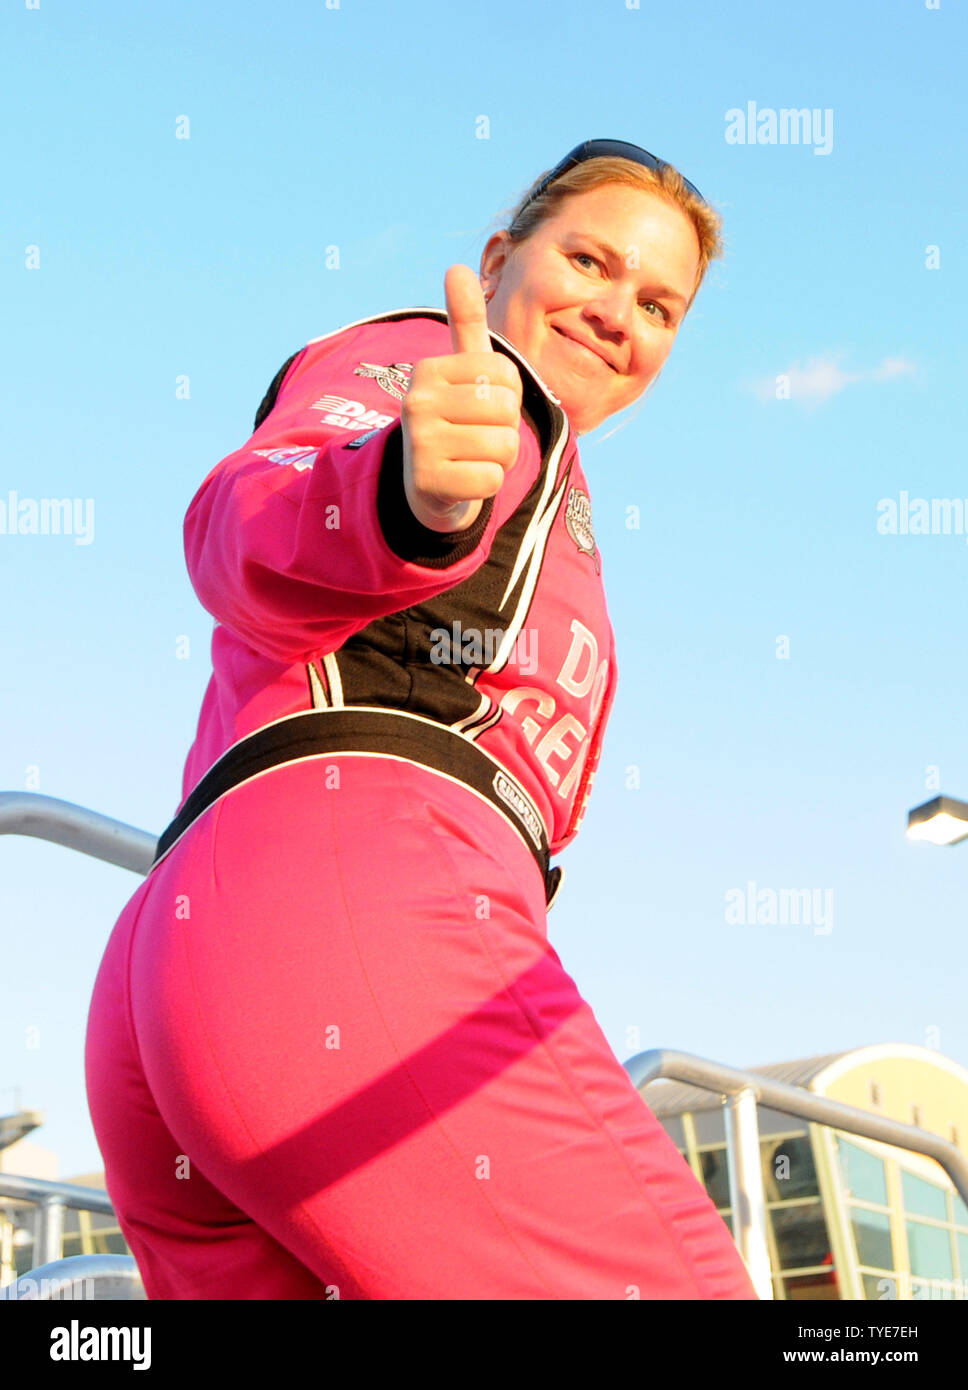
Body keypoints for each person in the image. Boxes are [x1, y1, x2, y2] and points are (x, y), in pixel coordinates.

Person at [84, 139, 759, 1300]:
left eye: (656, 303)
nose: (614, 313)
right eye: (587, 261)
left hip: (201, 966)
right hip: (337, 922)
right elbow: (250, 518)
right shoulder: (439, 374)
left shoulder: (552, 474)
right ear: (498, 259)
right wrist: (403, 493)